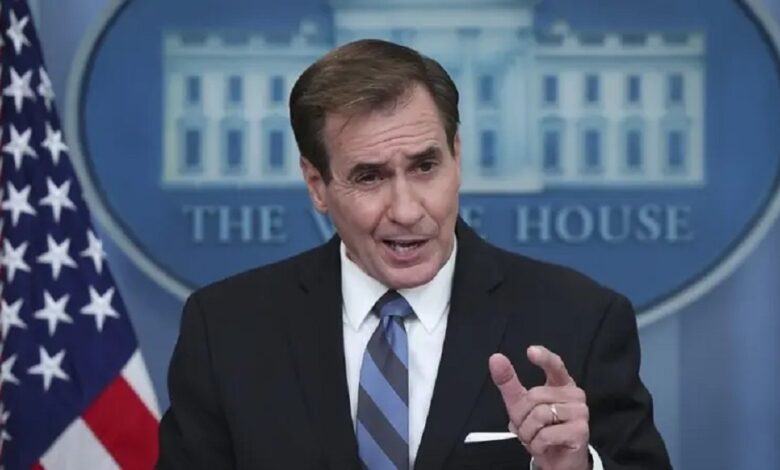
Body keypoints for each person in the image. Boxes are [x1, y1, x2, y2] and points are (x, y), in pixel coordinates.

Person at [157, 39, 671, 470]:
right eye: (369, 177)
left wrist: (576, 468)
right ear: (317, 184)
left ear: (457, 156)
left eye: (425, 166)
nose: (406, 210)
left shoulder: (579, 320)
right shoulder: (226, 329)